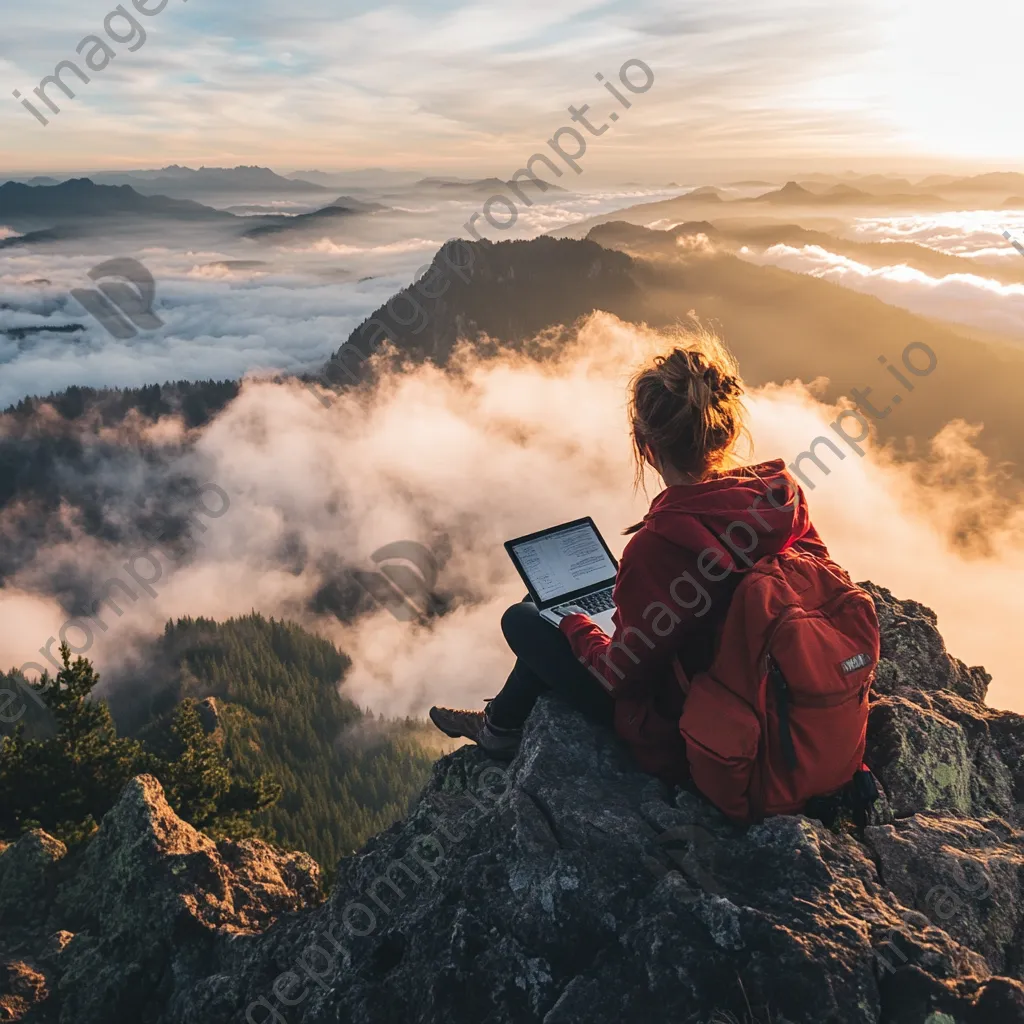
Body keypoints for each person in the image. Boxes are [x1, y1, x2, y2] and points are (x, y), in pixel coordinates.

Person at [429, 331, 831, 783]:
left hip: (689, 719)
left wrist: (576, 623)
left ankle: (498, 727)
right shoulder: (781, 498)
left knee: (525, 616)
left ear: (647, 447)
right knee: (550, 605)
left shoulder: (658, 546)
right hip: (772, 685)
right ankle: (500, 723)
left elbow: (620, 677)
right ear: (727, 430)